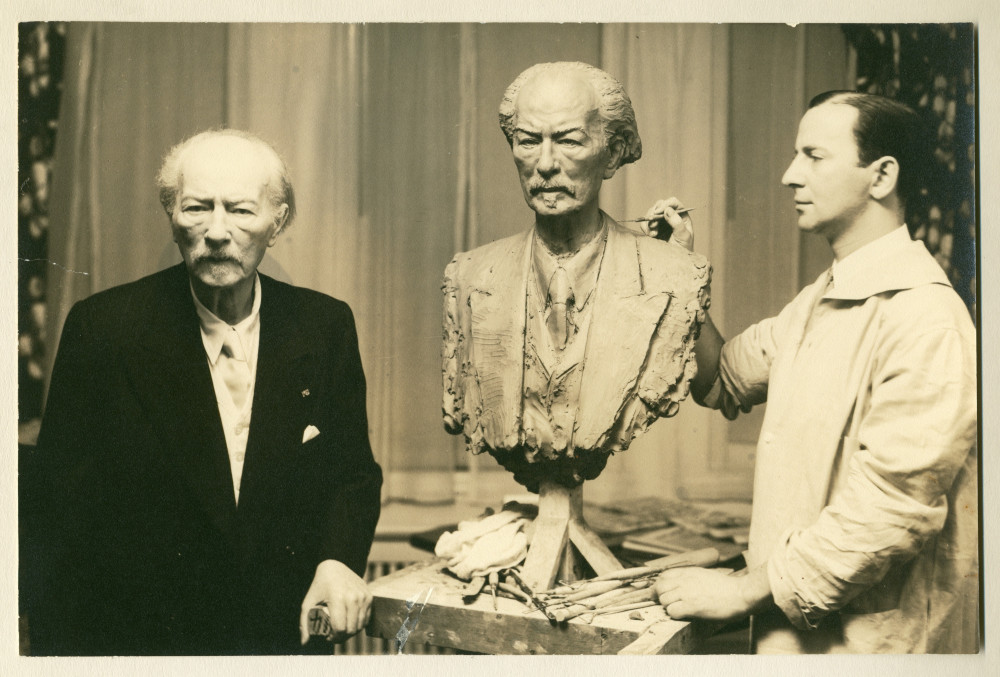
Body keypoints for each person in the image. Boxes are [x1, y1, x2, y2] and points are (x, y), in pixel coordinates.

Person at [27, 130, 383, 655]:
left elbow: (352, 472)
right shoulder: (103, 329)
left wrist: (338, 560)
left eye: (240, 210)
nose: (218, 232)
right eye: (197, 208)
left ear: (277, 222)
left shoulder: (324, 326)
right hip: (145, 647)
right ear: (171, 216)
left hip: (282, 642)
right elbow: (59, 521)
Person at [651, 91, 978, 653]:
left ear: (881, 177)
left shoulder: (925, 318)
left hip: (875, 649)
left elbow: (889, 511)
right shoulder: (820, 300)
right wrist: (681, 270)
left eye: (813, 156)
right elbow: (720, 379)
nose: (788, 175)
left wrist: (740, 591)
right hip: (800, 640)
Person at [441, 61, 710, 492]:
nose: (545, 164)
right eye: (529, 141)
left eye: (568, 141)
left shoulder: (673, 276)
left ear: (614, 153)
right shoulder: (468, 277)